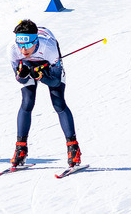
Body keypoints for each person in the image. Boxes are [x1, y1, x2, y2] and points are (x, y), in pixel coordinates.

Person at [8, 19, 81, 169]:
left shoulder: (49, 47)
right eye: (20, 45)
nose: (23, 50)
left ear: (35, 41)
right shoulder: (13, 49)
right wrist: (22, 75)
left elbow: (55, 81)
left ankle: (73, 149)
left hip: (47, 64)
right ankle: (20, 149)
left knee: (58, 103)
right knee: (27, 101)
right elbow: (20, 80)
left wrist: (41, 76)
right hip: (28, 64)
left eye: (28, 45)